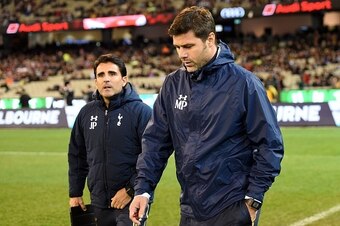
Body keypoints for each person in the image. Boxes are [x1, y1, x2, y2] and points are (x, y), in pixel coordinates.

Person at [129, 6, 284, 226]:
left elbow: (270, 144)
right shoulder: (173, 84)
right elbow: (155, 142)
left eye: (189, 46)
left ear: (210, 39)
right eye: (177, 47)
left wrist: (254, 199)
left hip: (232, 206)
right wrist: (143, 190)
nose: (182, 54)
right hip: (190, 207)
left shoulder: (244, 84)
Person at [68, 53, 152, 226]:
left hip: (132, 200)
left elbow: (151, 157)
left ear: (124, 79)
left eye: (112, 74)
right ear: (96, 82)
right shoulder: (86, 113)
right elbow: (77, 155)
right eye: (101, 75)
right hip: (98, 201)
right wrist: (75, 192)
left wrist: (130, 189)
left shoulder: (141, 112)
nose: (106, 79)